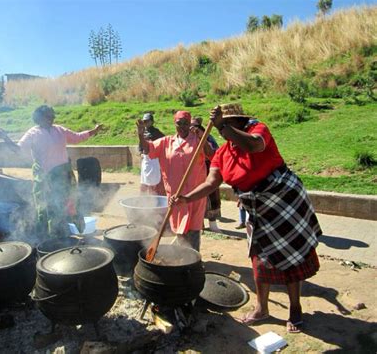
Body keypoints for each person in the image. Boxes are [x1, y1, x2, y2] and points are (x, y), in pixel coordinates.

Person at [170, 103, 321, 333]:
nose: (225, 130)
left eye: (229, 125)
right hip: (256, 209)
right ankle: (262, 308)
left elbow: (254, 146)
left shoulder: (257, 130)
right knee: (258, 260)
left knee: (291, 259)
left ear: (240, 122)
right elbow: (211, 183)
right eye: (223, 126)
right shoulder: (222, 153)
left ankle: (295, 308)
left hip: (283, 202)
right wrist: (185, 198)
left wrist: (222, 126)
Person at [0, 105, 102, 237]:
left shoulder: (59, 130)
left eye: (52, 115)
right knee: (46, 206)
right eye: (49, 115)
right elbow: (18, 149)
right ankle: (46, 237)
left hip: (64, 174)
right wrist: (6, 138)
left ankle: (70, 228)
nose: (52, 117)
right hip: (45, 176)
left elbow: (77, 137)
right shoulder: (33, 133)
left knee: (70, 202)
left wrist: (94, 131)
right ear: (39, 118)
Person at [137, 110, 215, 251]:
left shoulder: (198, 140)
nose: (183, 126)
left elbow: (211, 155)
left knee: (193, 231)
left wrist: (202, 137)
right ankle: (182, 259)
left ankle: (193, 261)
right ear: (175, 124)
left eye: (186, 123)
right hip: (175, 197)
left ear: (190, 124)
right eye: (179, 123)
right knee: (179, 230)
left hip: (194, 196)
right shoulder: (167, 142)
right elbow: (148, 149)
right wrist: (140, 134)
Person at [191, 117, 221, 232]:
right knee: (196, 198)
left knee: (211, 196)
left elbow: (213, 154)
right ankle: (200, 225)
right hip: (194, 173)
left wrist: (202, 138)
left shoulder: (208, 138)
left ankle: (213, 224)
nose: (193, 129)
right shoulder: (188, 139)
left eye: (196, 127)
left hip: (208, 171)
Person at [138, 113, 166, 195]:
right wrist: (140, 153)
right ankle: (141, 198)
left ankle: (154, 197)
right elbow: (140, 144)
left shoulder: (157, 133)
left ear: (152, 122)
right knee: (144, 179)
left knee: (153, 180)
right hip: (145, 159)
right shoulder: (142, 132)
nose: (145, 122)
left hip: (154, 159)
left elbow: (164, 142)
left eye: (147, 121)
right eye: (144, 121)